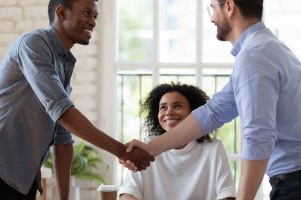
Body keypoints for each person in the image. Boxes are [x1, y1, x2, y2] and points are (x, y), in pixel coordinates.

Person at [0, 0, 154, 199]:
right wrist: (122, 151)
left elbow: (62, 140)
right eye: (87, 13)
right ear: (61, 12)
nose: (93, 22)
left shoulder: (63, 63)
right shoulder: (33, 44)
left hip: (21, 182)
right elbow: (62, 112)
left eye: (95, 16)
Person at [123, 0, 301, 199]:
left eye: (213, 8)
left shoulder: (254, 56)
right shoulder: (266, 48)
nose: (211, 17)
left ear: (230, 6)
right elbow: (213, 113)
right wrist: (151, 148)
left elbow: (259, 136)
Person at [119, 83, 236, 200]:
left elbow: (227, 195)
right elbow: (128, 193)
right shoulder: (145, 147)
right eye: (163, 107)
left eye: (177, 106)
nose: (169, 112)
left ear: (194, 113)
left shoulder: (214, 149)